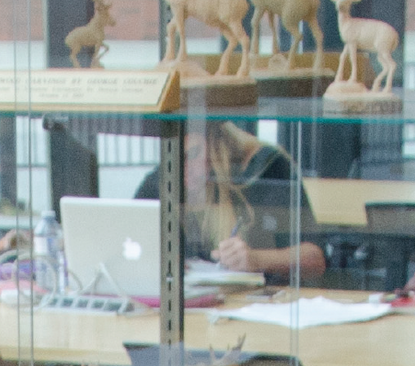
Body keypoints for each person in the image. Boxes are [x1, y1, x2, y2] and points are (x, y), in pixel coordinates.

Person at [136, 119, 326, 283]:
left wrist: (256, 260)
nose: (184, 169)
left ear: (216, 144)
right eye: (173, 158)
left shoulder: (265, 170)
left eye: (194, 154)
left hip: (260, 304)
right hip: (190, 304)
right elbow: (128, 241)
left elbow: (315, 259)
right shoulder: (162, 178)